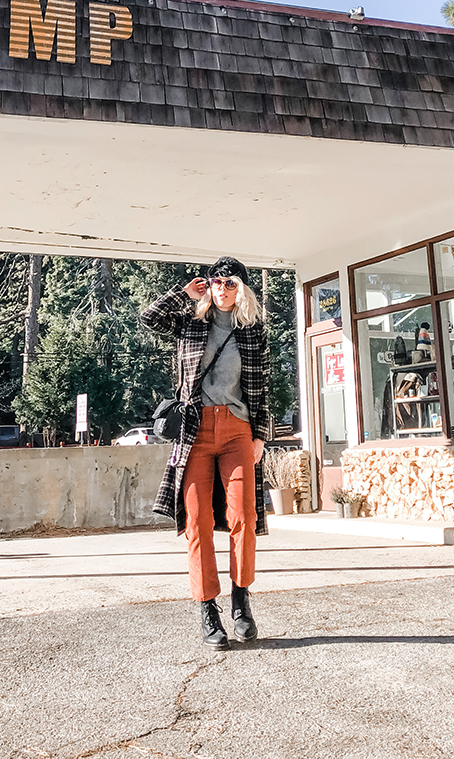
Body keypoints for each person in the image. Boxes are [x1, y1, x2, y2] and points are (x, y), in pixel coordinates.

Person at [140, 256, 269, 651]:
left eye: (231, 283)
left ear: (242, 289)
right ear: (207, 285)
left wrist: (260, 435)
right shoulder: (189, 322)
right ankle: (207, 608)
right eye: (217, 282)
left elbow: (263, 386)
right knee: (196, 521)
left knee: (243, 516)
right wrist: (183, 292)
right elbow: (149, 318)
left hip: (236, 430)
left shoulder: (252, 331)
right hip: (194, 432)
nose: (223, 289)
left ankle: (241, 603)